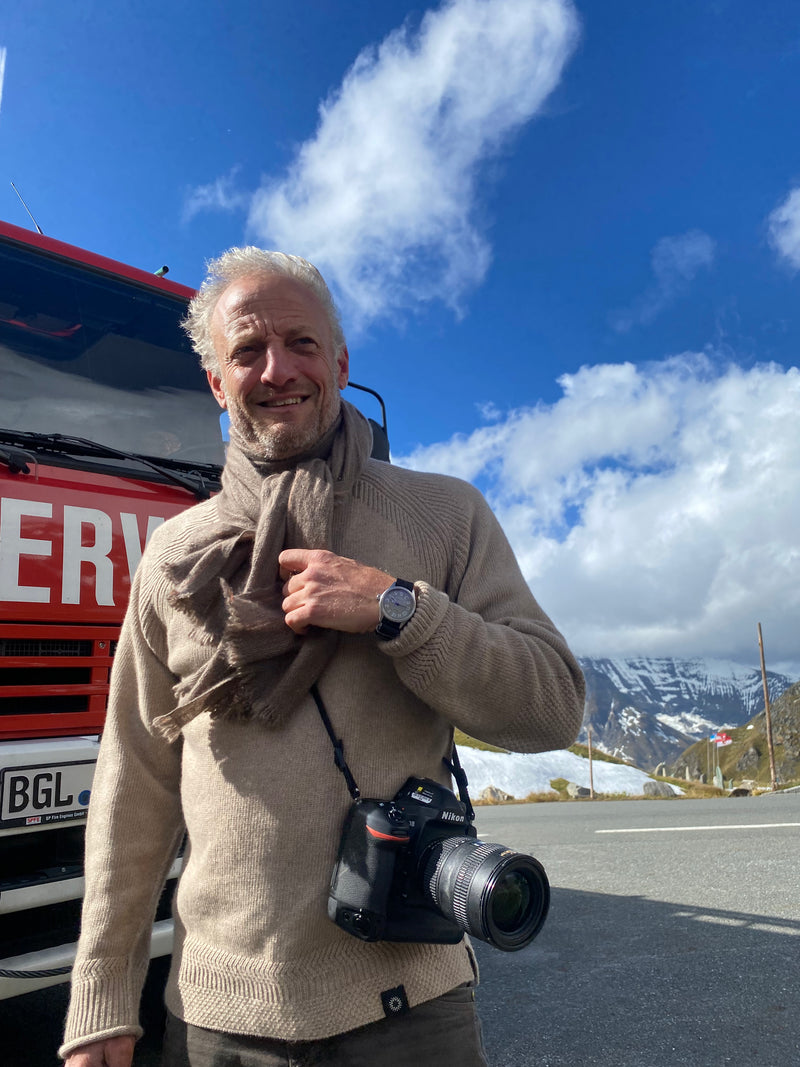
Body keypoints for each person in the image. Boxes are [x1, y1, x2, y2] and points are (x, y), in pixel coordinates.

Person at [60, 248, 585, 1067]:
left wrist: (397, 609)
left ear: (339, 364)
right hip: (219, 1019)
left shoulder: (443, 515)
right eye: (247, 350)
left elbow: (553, 704)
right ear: (215, 382)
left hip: (413, 1005)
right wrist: (101, 998)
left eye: (302, 343)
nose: (278, 370)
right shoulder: (174, 555)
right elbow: (136, 782)